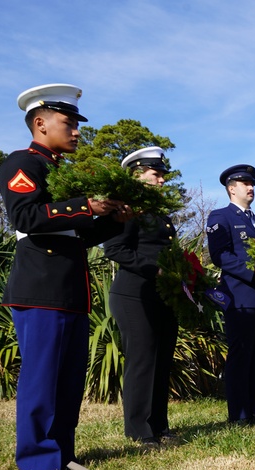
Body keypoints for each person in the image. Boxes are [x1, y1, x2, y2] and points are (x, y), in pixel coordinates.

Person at [0, 83, 129, 470]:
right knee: (42, 378)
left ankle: (63, 453)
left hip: (69, 290)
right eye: (68, 122)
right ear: (40, 123)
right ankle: (39, 463)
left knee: (69, 378)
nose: (76, 131)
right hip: (41, 289)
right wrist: (84, 206)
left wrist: (110, 220)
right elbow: (26, 218)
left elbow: (76, 236)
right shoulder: (23, 163)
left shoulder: (58, 171)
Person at [104, 146, 179, 446]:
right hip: (134, 294)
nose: (161, 180)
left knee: (161, 360)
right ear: (136, 174)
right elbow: (115, 250)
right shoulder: (126, 207)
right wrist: (156, 271)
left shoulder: (160, 213)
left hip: (163, 296)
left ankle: (159, 426)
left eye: (162, 175)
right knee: (142, 361)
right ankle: (139, 430)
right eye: (155, 174)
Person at [206, 164, 255, 424]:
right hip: (240, 296)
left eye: (253, 184)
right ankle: (239, 415)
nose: (251, 187)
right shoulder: (220, 216)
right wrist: (251, 270)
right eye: (245, 183)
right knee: (241, 354)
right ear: (231, 188)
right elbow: (219, 255)